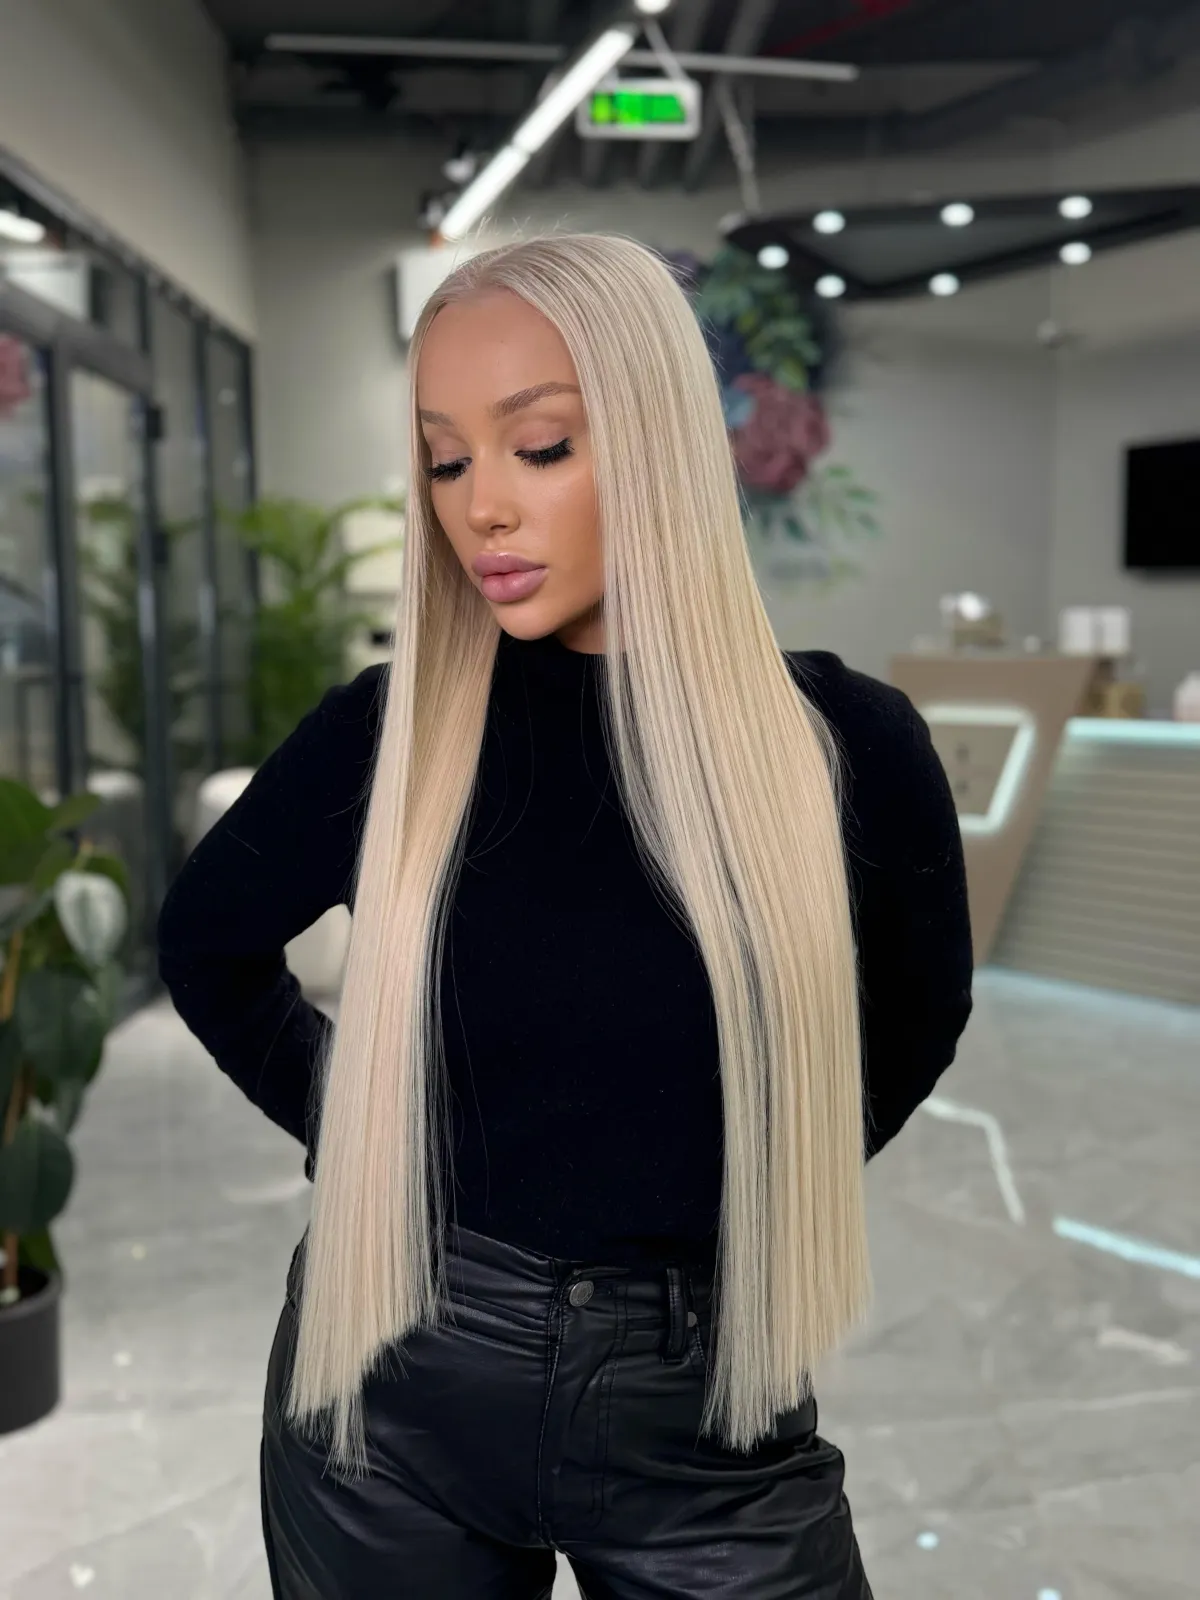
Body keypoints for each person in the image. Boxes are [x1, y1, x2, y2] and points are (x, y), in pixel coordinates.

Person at [157, 232, 973, 1600]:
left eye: (537, 447)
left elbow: (915, 1012)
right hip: (390, 1380)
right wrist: (365, 1134)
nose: (481, 507)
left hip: (707, 1404)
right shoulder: (393, 735)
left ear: (658, 443)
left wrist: (748, 1175)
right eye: (444, 461)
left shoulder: (844, 748)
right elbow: (207, 943)